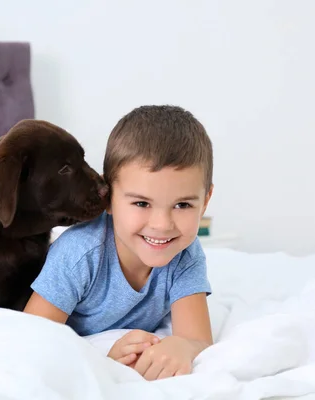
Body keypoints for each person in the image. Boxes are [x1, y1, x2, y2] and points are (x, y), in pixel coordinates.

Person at [23, 105, 214, 381]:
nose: (162, 225)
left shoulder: (185, 253)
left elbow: (198, 339)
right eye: (141, 203)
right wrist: (102, 360)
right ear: (107, 198)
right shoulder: (80, 253)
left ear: (205, 201)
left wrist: (183, 346)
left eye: (182, 204)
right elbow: (31, 338)